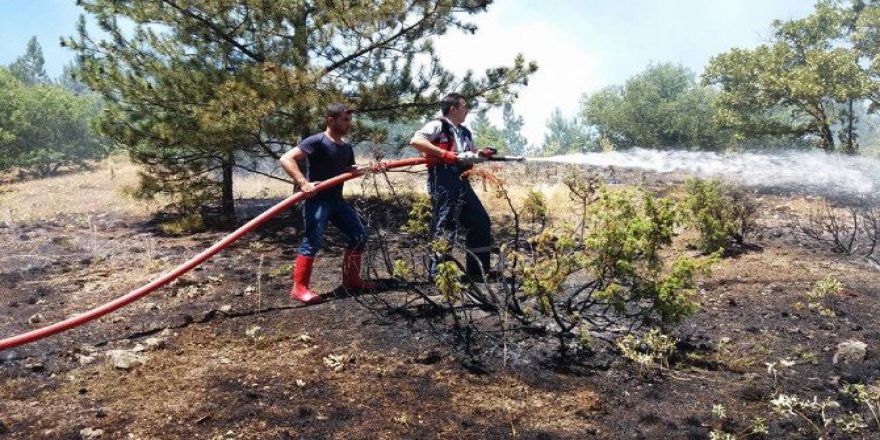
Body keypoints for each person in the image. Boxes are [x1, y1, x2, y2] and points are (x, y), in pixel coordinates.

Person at [279, 103, 376, 304]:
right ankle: (299, 288)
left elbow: (346, 168)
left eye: (349, 120)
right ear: (330, 120)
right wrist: (303, 183)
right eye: (345, 120)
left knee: (359, 235)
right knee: (313, 240)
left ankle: (352, 281)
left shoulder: (346, 146)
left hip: (337, 201)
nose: (349, 124)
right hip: (317, 201)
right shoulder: (317, 141)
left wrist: (364, 169)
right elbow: (286, 158)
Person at [408, 92, 494, 280]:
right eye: (464, 106)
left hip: (462, 179)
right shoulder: (438, 125)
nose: (467, 110)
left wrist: (480, 155)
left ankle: (478, 272)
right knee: (446, 224)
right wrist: (443, 154)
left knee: (480, 221)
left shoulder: (465, 132)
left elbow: (468, 154)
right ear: (453, 109)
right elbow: (416, 141)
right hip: (443, 179)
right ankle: (438, 275)